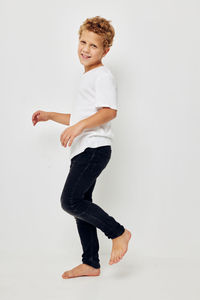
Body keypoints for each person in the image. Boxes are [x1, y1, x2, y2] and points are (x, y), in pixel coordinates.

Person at [32, 16, 131, 279]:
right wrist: (51, 115)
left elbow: (109, 112)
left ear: (105, 51)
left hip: (95, 149)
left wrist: (78, 128)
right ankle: (91, 263)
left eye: (94, 46)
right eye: (83, 42)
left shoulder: (102, 76)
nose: (86, 49)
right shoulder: (88, 76)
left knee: (71, 201)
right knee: (82, 205)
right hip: (83, 150)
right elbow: (80, 118)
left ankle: (118, 232)